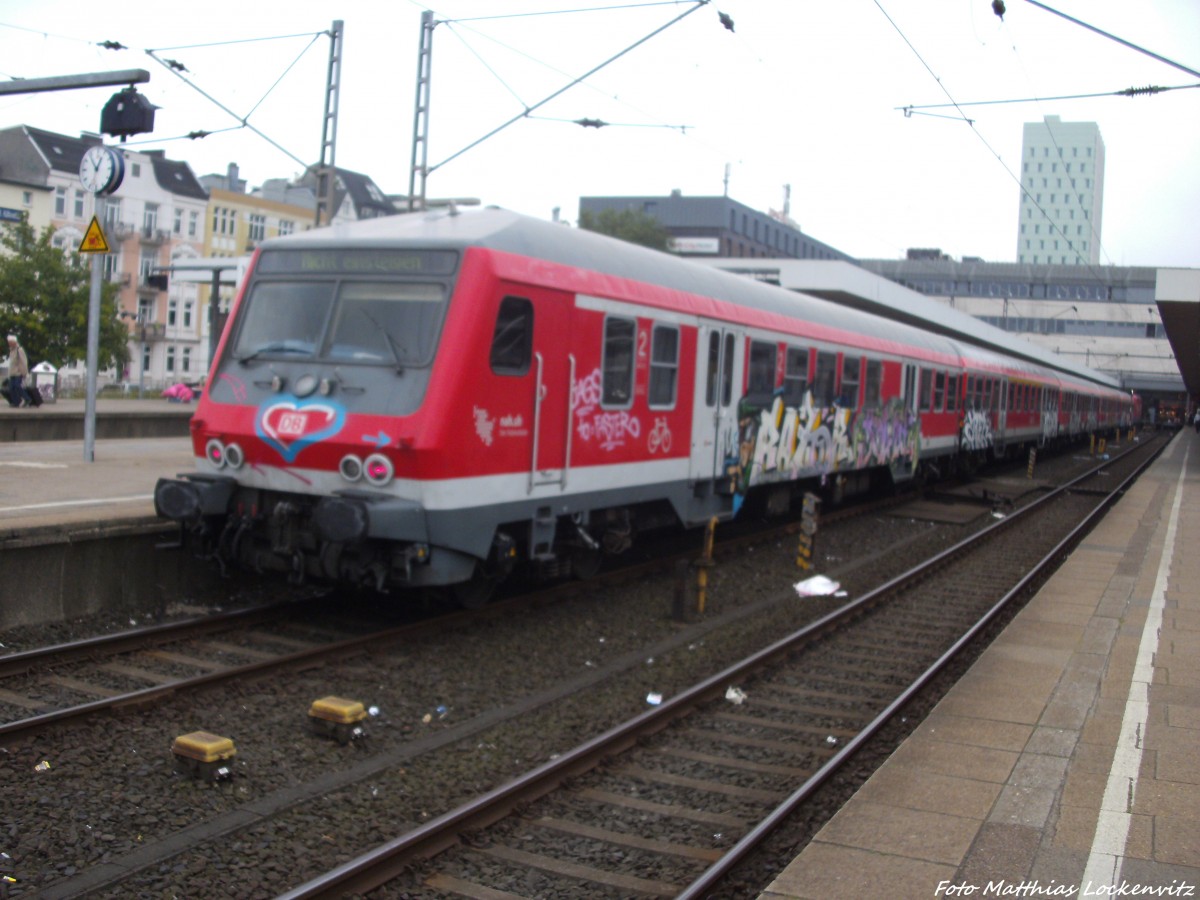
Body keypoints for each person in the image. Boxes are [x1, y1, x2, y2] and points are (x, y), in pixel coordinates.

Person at [5, 334, 30, 408]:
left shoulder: (19, 350)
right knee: (11, 388)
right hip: (12, 373)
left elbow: (24, 362)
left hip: (18, 372)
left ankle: (27, 398)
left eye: (10, 342)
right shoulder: (11, 350)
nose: (9, 343)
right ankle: (16, 402)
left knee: (17, 386)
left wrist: (24, 373)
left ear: (14, 342)